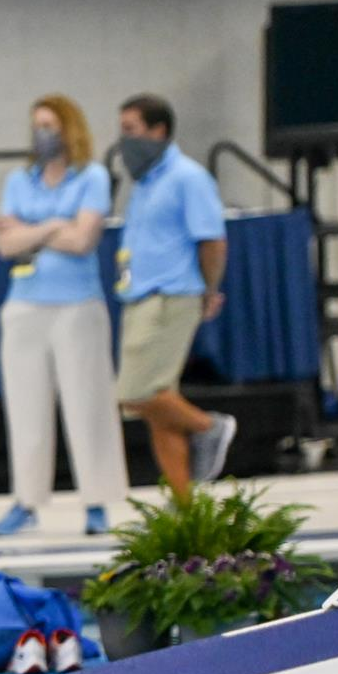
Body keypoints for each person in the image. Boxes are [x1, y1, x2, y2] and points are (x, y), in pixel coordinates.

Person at [0, 95, 127, 538]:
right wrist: (54, 226)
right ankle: (26, 503)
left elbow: (85, 240)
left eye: (49, 124)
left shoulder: (93, 176)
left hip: (78, 304)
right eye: (36, 125)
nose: (41, 133)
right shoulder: (18, 180)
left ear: (69, 128)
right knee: (25, 409)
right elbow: (4, 246)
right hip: (25, 304)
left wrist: (33, 230)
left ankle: (97, 503)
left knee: (89, 405)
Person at [112, 93, 231, 500]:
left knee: (135, 393)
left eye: (130, 129)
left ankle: (209, 428)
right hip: (140, 296)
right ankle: (185, 508)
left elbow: (212, 240)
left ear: (158, 131)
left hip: (170, 295)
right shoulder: (144, 182)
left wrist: (209, 290)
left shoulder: (188, 177)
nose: (123, 139)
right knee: (157, 409)